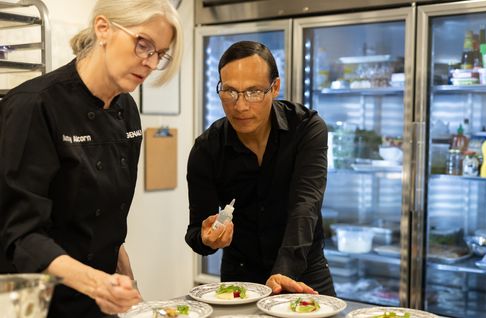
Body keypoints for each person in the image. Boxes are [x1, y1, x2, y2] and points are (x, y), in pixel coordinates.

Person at [0, 0, 182, 317]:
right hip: (36, 300)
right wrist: (98, 284)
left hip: (98, 297)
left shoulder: (127, 111)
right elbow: (20, 235)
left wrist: (127, 280)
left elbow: (107, 219)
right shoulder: (35, 105)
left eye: (159, 54)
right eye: (144, 45)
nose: (150, 63)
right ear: (103, 28)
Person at [185, 41, 335, 296]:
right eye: (230, 91)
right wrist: (207, 238)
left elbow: (305, 206)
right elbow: (196, 234)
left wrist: (283, 272)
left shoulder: (306, 128)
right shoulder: (207, 148)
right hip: (241, 281)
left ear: (274, 87)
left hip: (303, 274)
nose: (240, 105)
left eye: (253, 91)